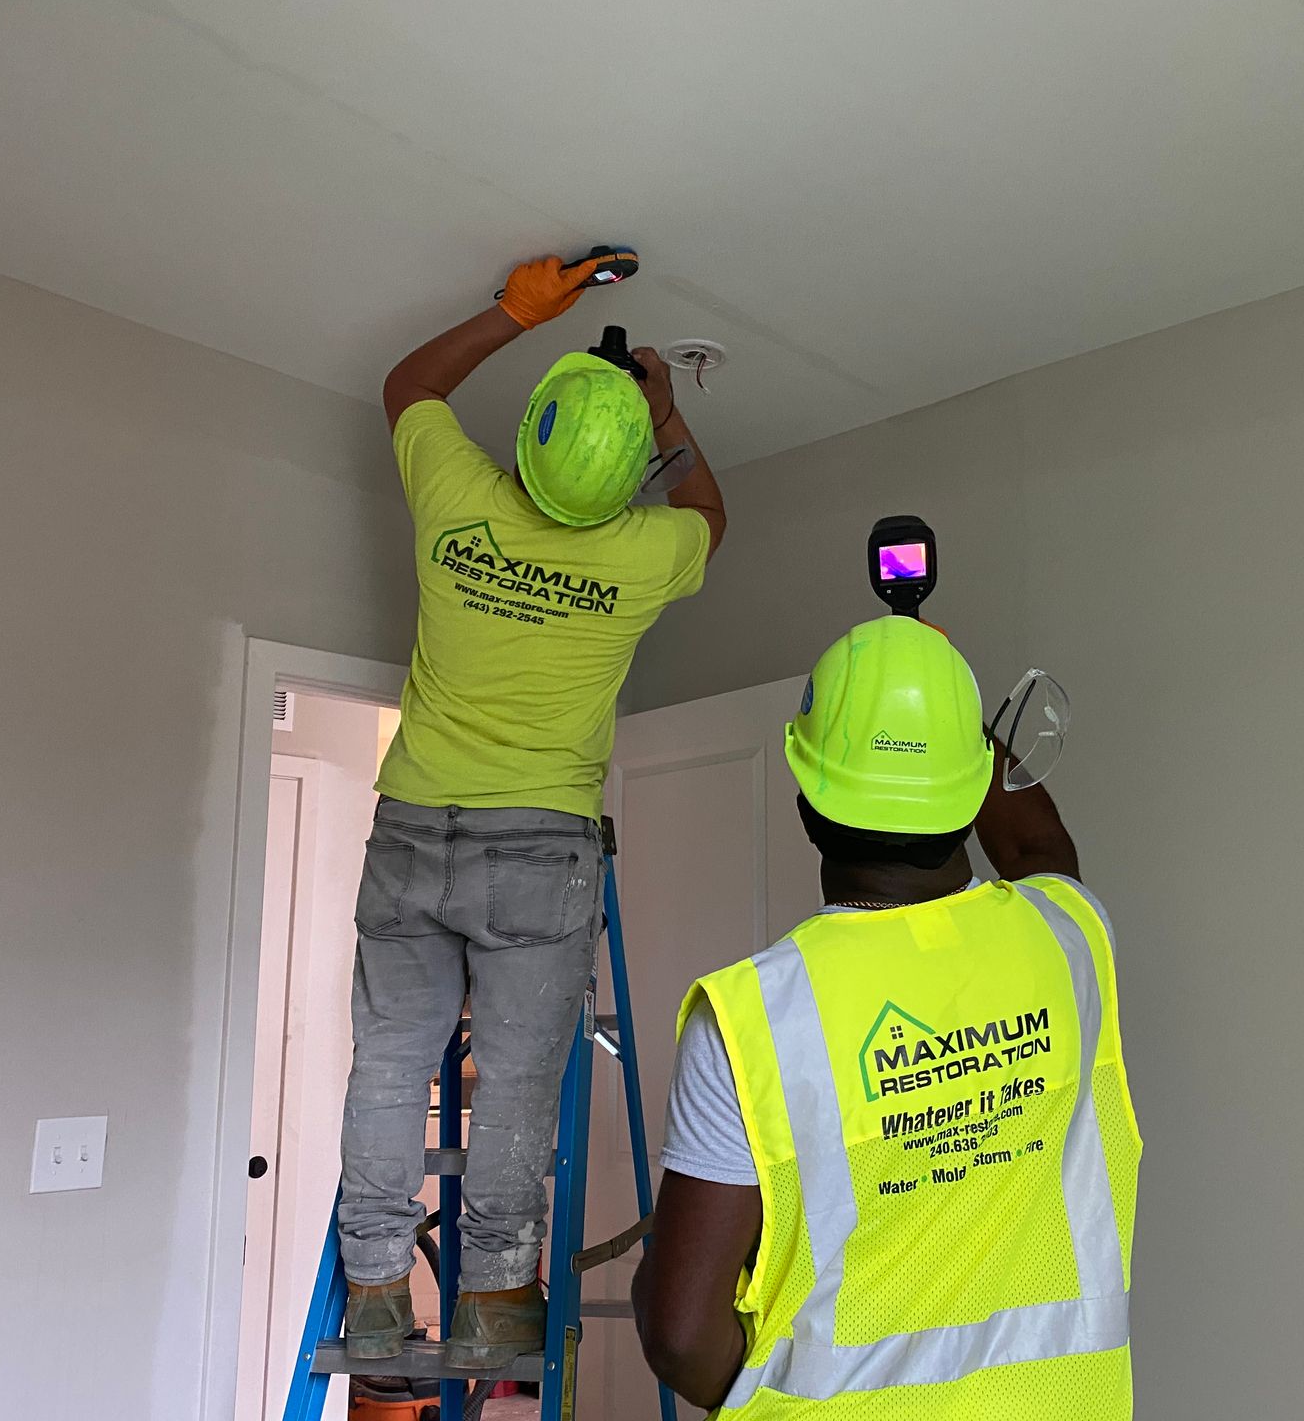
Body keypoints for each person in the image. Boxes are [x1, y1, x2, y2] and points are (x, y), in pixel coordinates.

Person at [339, 252, 726, 1369]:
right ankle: (498, 1300)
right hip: (540, 845)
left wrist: (516, 311)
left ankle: (376, 1290)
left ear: (531, 436)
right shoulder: (644, 552)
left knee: (389, 1063)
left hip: (413, 825)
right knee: (514, 1081)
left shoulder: (456, 500)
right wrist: (666, 412)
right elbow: (708, 512)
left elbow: (409, 386)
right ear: (624, 482)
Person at [632, 617, 1142, 1417]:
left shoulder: (752, 1016)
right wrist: (938, 713)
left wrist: (655, 1270)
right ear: (970, 789)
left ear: (808, 808)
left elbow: (682, 1340)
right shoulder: (1068, 939)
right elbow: (1038, 845)